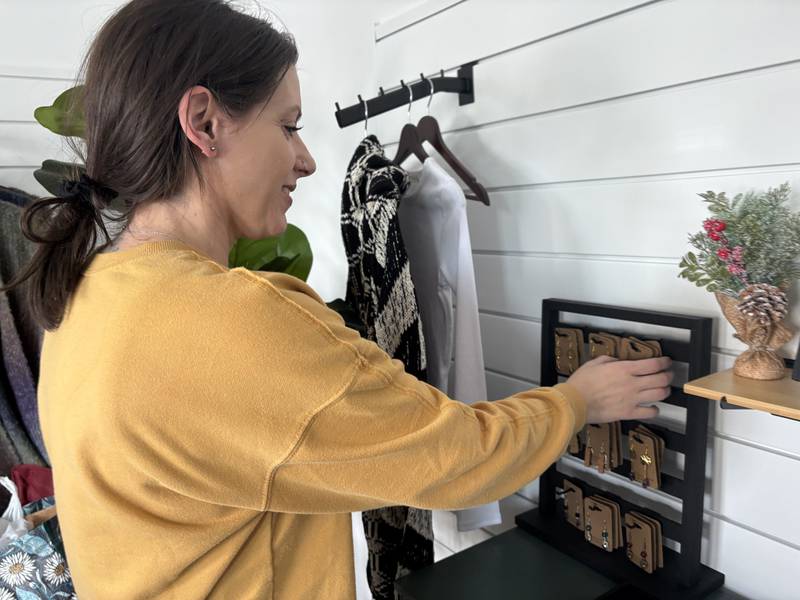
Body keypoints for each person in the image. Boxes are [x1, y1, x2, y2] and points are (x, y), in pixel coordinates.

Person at [0, 0, 673, 597]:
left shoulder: (81, 298)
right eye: (288, 126)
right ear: (204, 122)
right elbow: (457, 457)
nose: (307, 160)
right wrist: (579, 401)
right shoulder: (230, 320)